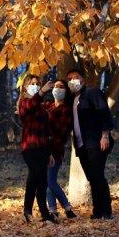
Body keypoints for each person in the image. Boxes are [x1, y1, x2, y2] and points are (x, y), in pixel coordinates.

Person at [66, 68, 114, 220]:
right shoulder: (72, 99)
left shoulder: (92, 93)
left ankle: (106, 211)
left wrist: (105, 135)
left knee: (98, 176)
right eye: (70, 78)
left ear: (82, 80)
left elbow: (104, 113)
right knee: (92, 178)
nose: (73, 80)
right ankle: (97, 211)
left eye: (76, 77)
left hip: (96, 142)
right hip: (81, 145)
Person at [17, 74, 58, 223]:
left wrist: (49, 153)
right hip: (30, 147)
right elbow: (29, 106)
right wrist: (42, 92)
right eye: (32, 83)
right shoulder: (23, 102)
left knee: (37, 179)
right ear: (25, 86)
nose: (35, 85)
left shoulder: (40, 105)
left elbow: (46, 131)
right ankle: (41, 212)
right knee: (38, 177)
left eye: (37, 83)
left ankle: (31, 211)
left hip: (42, 148)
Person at [43, 79, 76, 219]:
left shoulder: (66, 110)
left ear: (66, 91)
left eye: (61, 87)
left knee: (50, 181)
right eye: (55, 86)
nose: (57, 89)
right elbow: (32, 105)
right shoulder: (48, 106)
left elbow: (60, 133)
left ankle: (68, 208)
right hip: (43, 149)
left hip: (55, 150)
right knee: (47, 181)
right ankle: (53, 211)